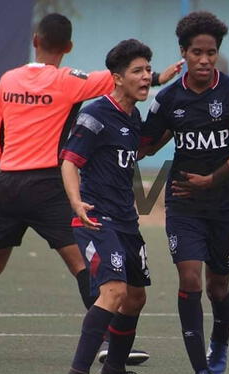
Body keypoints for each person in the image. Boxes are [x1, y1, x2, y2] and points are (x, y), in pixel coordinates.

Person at [0, 13, 181, 361]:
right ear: (68, 47)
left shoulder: (8, 79)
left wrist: (8, 164)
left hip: (8, 180)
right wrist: (158, 78)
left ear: (35, 40)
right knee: (83, 264)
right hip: (49, 183)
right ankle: (104, 343)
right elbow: (110, 84)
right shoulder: (68, 80)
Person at [139, 11, 229, 374]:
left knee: (217, 288)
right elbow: (147, 143)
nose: (204, 60)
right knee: (189, 277)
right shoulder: (168, 99)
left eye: (210, 53)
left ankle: (218, 346)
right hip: (184, 204)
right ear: (183, 53)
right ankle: (201, 368)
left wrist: (213, 179)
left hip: (227, 204)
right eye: (196, 53)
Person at [61, 38, 153, 374]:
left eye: (148, 70)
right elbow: (70, 162)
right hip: (97, 219)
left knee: (136, 299)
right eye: (137, 71)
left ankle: (114, 368)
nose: (146, 77)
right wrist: (77, 203)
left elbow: (141, 150)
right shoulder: (95, 114)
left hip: (127, 221)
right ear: (116, 78)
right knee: (113, 292)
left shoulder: (134, 117)